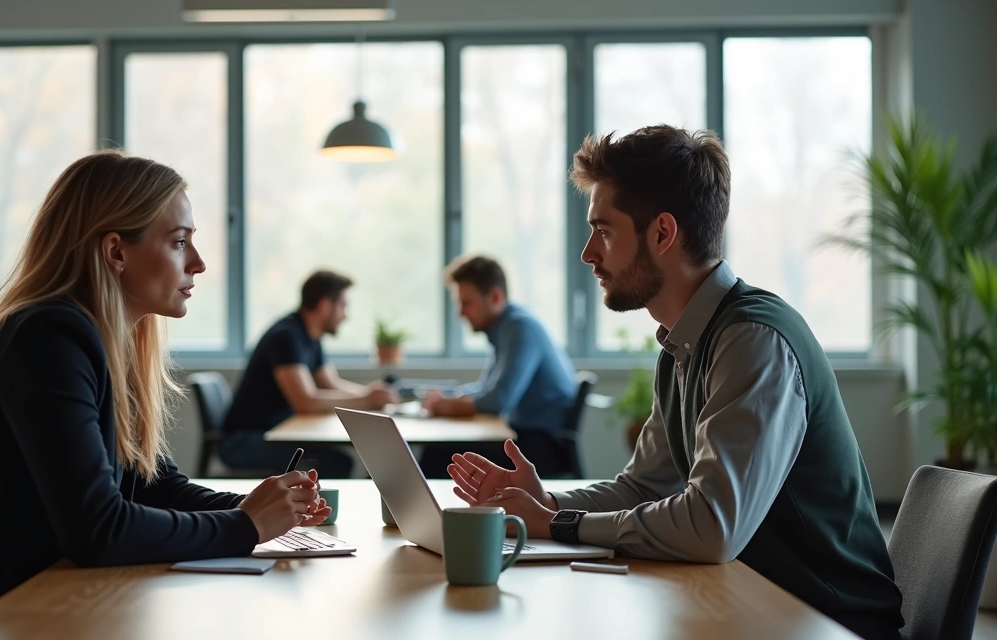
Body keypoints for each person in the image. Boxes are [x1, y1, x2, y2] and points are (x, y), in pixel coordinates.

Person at [446, 126, 903, 640]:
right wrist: (549, 504)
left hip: (825, 622)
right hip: (753, 604)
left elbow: (711, 528)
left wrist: (556, 525)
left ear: (663, 233)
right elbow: (643, 486)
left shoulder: (751, 340)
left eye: (605, 231)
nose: (588, 254)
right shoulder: (683, 344)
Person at [0, 150, 331, 640]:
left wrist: (262, 506)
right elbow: (98, 531)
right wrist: (246, 527)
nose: (198, 263)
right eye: (179, 243)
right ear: (116, 252)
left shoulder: (104, 341)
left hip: (25, 606)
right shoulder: (48, 337)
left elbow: (156, 484)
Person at [220, 271, 398, 479]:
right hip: (246, 441)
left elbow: (330, 384)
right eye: (343, 305)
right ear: (324, 305)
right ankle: (320, 512)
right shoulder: (286, 336)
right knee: (337, 462)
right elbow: (305, 401)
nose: (346, 315)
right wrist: (367, 399)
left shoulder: (310, 337)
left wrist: (372, 395)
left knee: (342, 459)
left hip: (277, 434)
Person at [416, 256, 576, 478]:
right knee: (438, 454)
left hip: (539, 448)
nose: (460, 313)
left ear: (495, 297)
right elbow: (487, 388)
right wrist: (448, 396)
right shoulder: (506, 328)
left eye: (467, 303)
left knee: (439, 456)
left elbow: (497, 400)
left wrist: (449, 405)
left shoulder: (520, 328)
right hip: (526, 439)